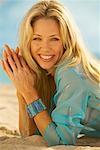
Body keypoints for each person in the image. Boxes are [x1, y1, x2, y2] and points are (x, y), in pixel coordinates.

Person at [0, 0, 100, 146]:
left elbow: (61, 142)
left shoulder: (70, 73)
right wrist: (21, 88)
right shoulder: (51, 73)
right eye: (37, 39)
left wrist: (29, 93)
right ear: (28, 42)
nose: (45, 48)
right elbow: (31, 134)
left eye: (54, 39)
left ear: (66, 41)